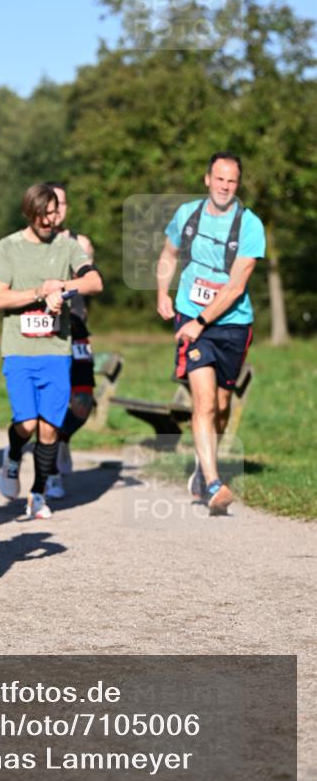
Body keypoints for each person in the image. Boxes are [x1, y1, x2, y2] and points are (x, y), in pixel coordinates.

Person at [156, 152, 265, 515]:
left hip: (233, 324)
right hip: (191, 318)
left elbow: (235, 288)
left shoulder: (250, 225)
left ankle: (204, 468)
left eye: (231, 181)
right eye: (219, 178)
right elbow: (169, 253)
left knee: (221, 405)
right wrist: (162, 293)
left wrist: (201, 321)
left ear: (238, 184)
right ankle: (213, 482)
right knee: (203, 402)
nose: (224, 186)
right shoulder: (187, 215)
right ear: (207, 179)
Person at [0, 184, 103, 519]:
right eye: (43, 214)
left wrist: (62, 288)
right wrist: (40, 292)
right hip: (19, 349)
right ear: (29, 212)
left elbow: (94, 282)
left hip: (56, 349)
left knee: (50, 427)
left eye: (54, 213)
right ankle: (13, 456)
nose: (49, 220)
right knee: (27, 424)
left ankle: (38, 494)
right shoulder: (9, 246)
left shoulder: (67, 246)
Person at [45, 181, 97, 499]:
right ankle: (49, 471)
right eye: (50, 203)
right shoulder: (28, 243)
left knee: (82, 402)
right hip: (44, 329)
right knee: (49, 400)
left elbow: (91, 282)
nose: (56, 209)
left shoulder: (81, 243)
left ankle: (62, 438)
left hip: (76, 327)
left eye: (61, 203)